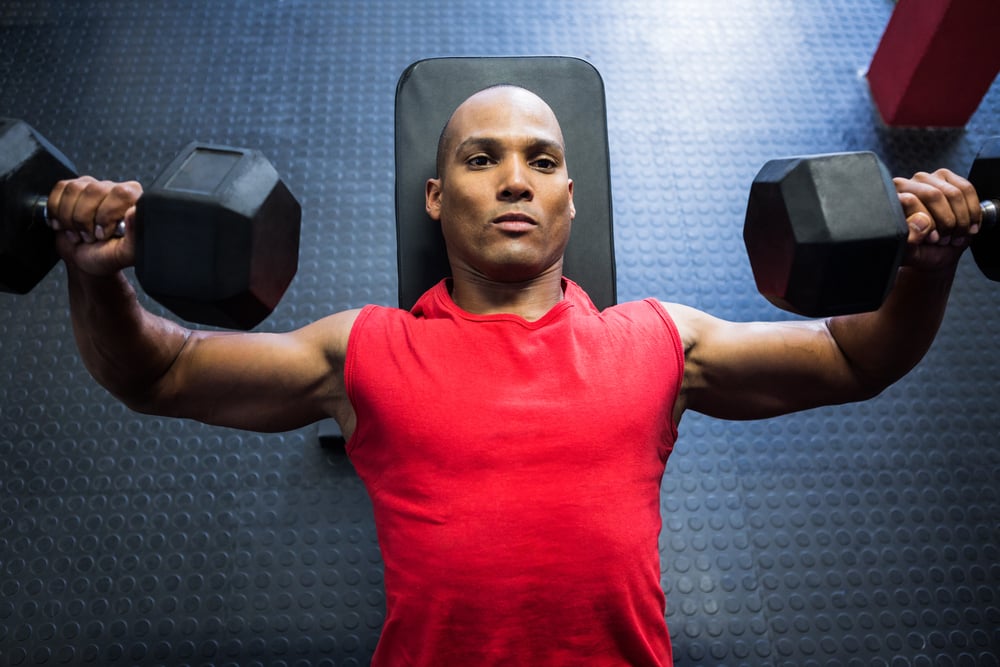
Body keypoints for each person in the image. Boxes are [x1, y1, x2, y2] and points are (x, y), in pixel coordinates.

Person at [47, 85, 983, 666]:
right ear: (436, 194)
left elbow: (856, 356)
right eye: (480, 157)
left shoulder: (659, 339)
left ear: (571, 197)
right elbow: (159, 373)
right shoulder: (364, 351)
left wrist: (925, 271)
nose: (513, 179)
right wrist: (99, 280)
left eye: (542, 160)